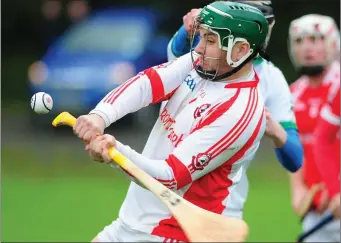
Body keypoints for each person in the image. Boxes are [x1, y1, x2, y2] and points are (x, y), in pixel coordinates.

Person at [73, 2, 269, 242]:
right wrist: (99, 116)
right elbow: (148, 84)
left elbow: (170, 176)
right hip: (131, 222)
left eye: (210, 41)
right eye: (201, 37)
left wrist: (115, 151)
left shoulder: (239, 111)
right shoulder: (202, 65)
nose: (199, 48)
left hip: (170, 233)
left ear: (240, 50)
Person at [164, 0, 303, 174]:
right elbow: (172, 56)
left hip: (222, 196)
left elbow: (296, 160)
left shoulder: (271, 77)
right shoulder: (197, 53)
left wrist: (272, 127)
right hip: (163, 177)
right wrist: (187, 30)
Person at [288, 13, 340, 242]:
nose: (307, 48)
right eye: (299, 41)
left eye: (315, 39)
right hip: (316, 206)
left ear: (333, 43)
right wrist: (298, 188)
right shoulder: (293, 93)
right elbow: (295, 147)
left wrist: (336, 188)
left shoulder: (338, 87)